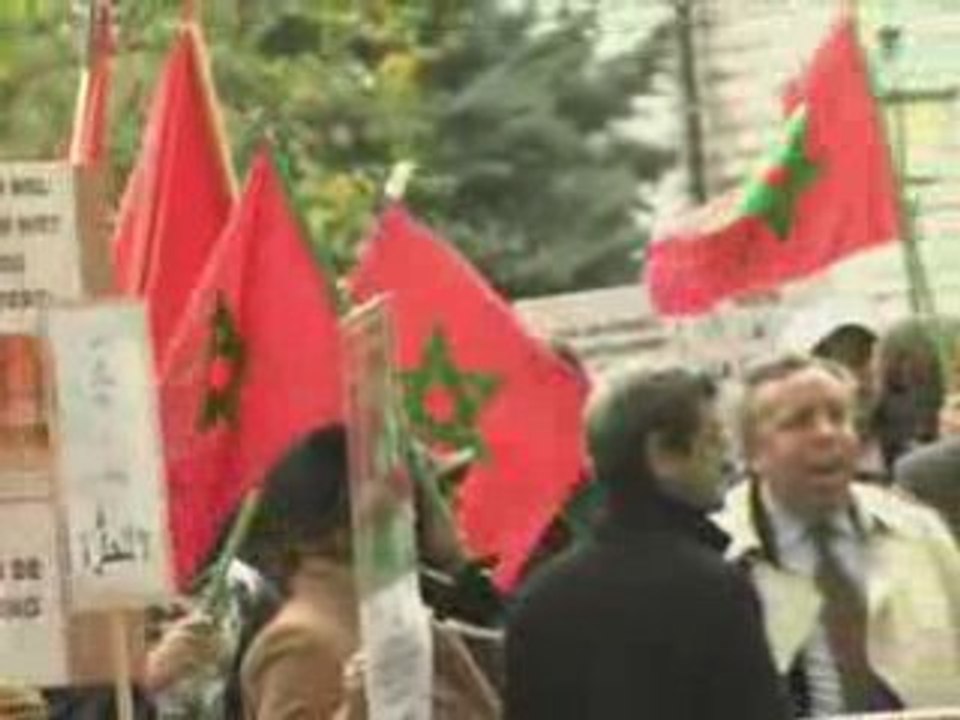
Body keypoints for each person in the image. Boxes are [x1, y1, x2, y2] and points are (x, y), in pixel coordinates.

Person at [505, 367, 788, 720]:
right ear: (662, 454)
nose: (730, 462)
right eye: (713, 440)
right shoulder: (714, 590)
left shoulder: (536, 601)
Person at [716, 354, 960, 717]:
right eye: (799, 422)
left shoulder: (918, 532)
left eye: (838, 417)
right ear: (752, 452)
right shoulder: (720, 554)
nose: (826, 434)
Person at [240, 423, 499, 719]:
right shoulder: (302, 640)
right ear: (339, 523)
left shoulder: (404, 622)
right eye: (410, 493)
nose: (421, 509)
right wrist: (355, 709)